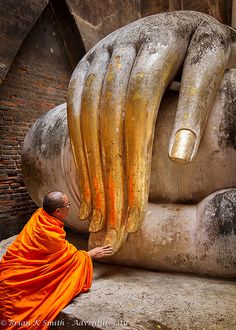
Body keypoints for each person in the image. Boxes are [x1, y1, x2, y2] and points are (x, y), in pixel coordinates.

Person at [0, 191, 113, 329]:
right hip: (16, 286)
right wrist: (91, 254)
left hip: (8, 272)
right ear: (58, 211)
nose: (69, 207)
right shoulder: (50, 235)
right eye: (68, 204)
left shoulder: (40, 214)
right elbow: (71, 259)